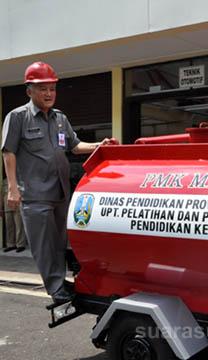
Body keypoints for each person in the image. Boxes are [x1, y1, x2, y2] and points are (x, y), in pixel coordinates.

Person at [1, 61, 118, 304]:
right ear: (29, 91)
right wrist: (12, 188)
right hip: (34, 194)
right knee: (43, 245)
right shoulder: (18, 117)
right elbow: (8, 152)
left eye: (52, 89)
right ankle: (55, 288)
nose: (48, 94)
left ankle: (60, 280)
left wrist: (99, 145)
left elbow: (75, 146)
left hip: (61, 192)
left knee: (59, 241)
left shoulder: (60, 119)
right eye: (42, 89)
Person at [2, 177, 27, 252]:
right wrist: (1, 207)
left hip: (18, 205)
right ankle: (10, 244)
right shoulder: (4, 181)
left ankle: (20, 244)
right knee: (9, 226)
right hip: (7, 206)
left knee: (19, 226)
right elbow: (2, 194)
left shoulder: (20, 180)